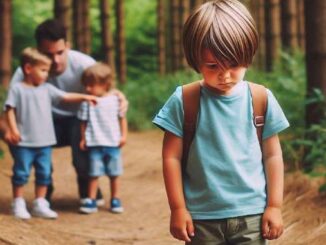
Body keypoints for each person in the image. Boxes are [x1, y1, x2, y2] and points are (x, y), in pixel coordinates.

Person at [153, 0, 289, 244]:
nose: (225, 75)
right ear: (195, 58)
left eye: (234, 65)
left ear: (248, 54)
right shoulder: (184, 100)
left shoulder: (261, 99)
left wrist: (275, 206)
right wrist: (178, 209)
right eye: (213, 65)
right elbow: (171, 157)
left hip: (252, 216)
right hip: (201, 218)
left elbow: (272, 156)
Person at [7, 19, 128, 205]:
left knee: (82, 135)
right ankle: (44, 183)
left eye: (60, 53)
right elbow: (9, 110)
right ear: (38, 51)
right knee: (6, 129)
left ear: (68, 46)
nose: (55, 61)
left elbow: (106, 87)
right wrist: (10, 130)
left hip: (79, 121)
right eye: (48, 54)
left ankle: (87, 182)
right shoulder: (26, 73)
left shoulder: (85, 64)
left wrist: (117, 95)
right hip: (41, 124)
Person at [4, 47, 97, 219]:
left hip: (45, 142)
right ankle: (18, 202)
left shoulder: (47, 88)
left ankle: (40, 202)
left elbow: (66, 97)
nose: (47, 74)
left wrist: (85, 97)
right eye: (43, 70)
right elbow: (9, 109)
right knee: (21, 172)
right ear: (28, 69)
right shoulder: (17, 89)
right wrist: (13, 129)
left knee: (44, 173)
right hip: (24, 141)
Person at [76, 63, 127, 214]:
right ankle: (91, 200)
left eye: (91, 85)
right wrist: (83, 138)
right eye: (86, 85)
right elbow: (83, 122)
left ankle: (115, 199)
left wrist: (123, 135)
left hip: (112, 143)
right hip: (94, 143)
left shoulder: (115, 100)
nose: (87, 89)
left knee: (114, 174)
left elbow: (122, 118)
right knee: (93, 174)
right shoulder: (87, 103)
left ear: (105, 84)